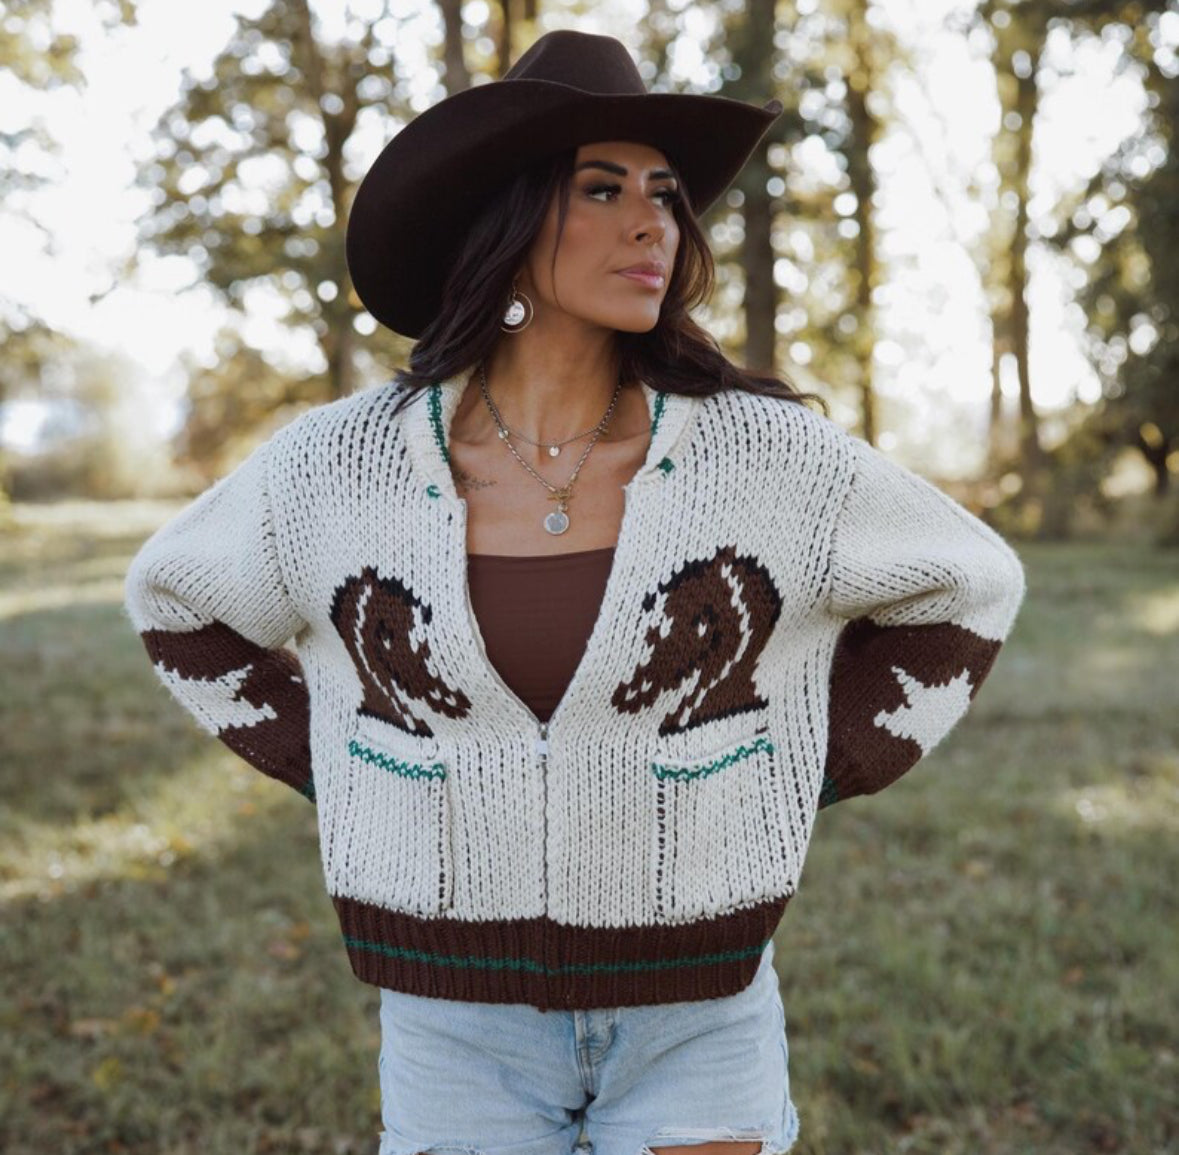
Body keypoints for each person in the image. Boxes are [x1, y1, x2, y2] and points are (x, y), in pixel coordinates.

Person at [121, 29, 1027, 1155]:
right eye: (603, 189)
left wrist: (802, 766)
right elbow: (175, 598)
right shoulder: (335, 466)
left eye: (665, 194)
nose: (655, 222)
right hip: (454, 1030)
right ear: (505, 219)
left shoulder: (770, 457)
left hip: (701, 1017)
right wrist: (351, 765)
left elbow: (969, 582)